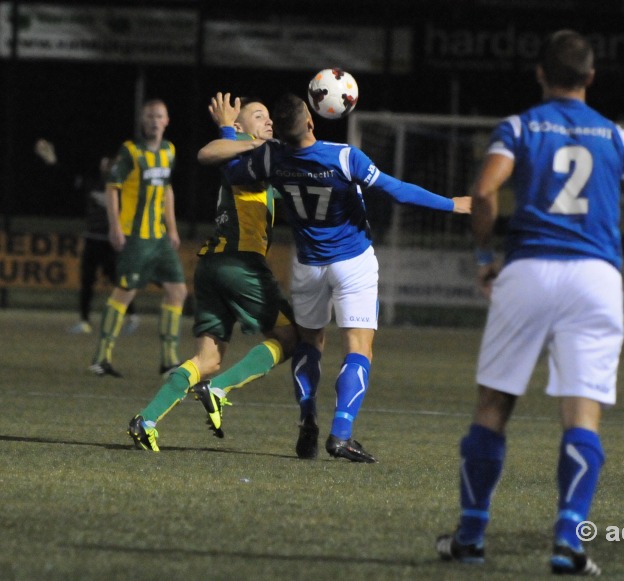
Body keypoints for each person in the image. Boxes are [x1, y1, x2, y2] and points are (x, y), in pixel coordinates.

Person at [434, 30, 624, 575]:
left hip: (528, 271)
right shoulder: (617, 138)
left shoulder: (520, 126)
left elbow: (483, 194)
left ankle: (471, 538)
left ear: (540, 74)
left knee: (494, 405)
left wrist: (484, 256)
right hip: (595, 278)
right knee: (582, 413)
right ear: (591, 78)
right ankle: (569, 542)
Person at [197, 92, 471, 463]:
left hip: (308, 265)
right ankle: (341, 434)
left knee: (310, 344)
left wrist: (229, 131)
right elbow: (397, 191)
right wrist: (452, 204)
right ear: (311, 120)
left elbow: (228, 170)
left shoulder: (270, 156)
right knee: (359, 348)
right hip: (352, 261)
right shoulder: (343, 156)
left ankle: (307, 419)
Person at [128, 97, 298, 452]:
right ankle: (219, 390)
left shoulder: (255, 161)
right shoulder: (239, 148)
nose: (268, 121)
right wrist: (232, 131)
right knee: (292, 336)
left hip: (212, 266)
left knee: (208, 359)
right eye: (258, 115)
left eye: (270, 116)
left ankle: (146, 420)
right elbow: (207, 152)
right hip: (240, 262)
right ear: (239, 127)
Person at [88, 99, 187, 378]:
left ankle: (169, 361)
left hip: (159, 238)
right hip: (136, 237)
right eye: (150, 116)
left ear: (167, 121)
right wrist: (115, 227)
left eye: (159, 116)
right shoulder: (130, 151)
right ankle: (101, 358)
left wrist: (173, 228)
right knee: (125, 291)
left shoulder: (169, 151)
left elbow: (167, 190)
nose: (155, 120)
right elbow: (112, 187)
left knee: (177, 291)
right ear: (143, 121)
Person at [67, 154, 139, 336]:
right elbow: (68, 179)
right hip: (92, 239)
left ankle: (132, 316)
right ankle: (84, 321)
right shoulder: (92, 184)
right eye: (104, 162)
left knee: (118, 280)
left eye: (109, 163)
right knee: (86, 281)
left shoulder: (120, 188)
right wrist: (55, 163)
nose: (105, 165)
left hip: (111, 241)